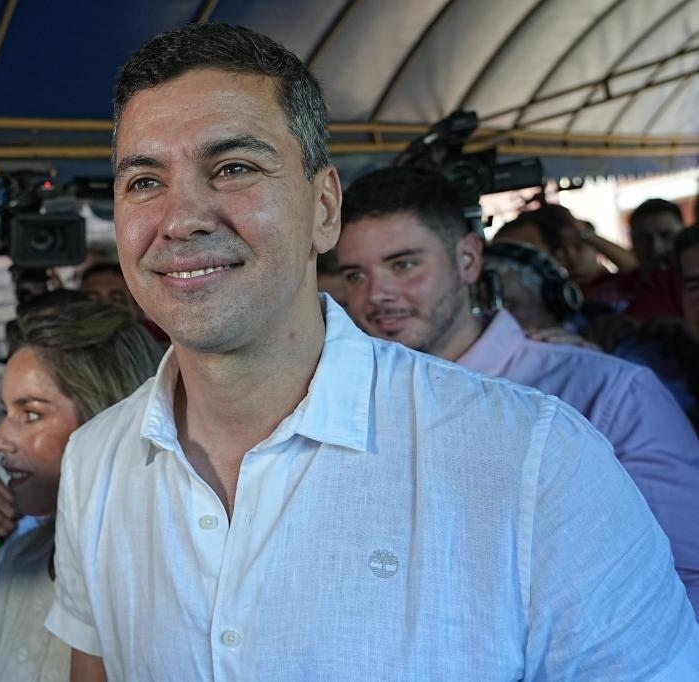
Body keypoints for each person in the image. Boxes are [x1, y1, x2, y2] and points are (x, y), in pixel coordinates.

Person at [43, 23, 699, 680]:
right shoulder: (95, 459)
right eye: (143, 181)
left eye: (234, 168)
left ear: (324, 209)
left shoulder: (534, 460)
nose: (181, 218)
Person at [336, 164, 699, 613]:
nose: (377, 294)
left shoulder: (607, 393)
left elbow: (685, 578)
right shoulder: (349, 404)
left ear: (468, 259)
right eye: (355, 275)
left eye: (404, 264)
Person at [0, 301, 161, 681]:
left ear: (105, 417)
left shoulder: (162, 588)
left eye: (31, 414)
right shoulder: (21, 561)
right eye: (6, 412)